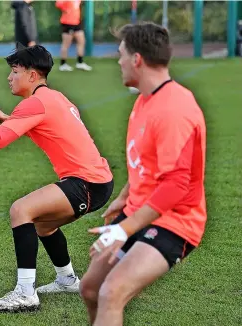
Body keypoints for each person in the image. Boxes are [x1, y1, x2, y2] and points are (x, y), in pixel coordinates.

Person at [0, 44, 114, 312]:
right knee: (42, 225)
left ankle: (25, 293)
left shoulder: (34, 103)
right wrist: (7, 118)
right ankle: (67, 280)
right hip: (98, 182)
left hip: (86, 183)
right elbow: (46, 129)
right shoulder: (54, 98)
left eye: (15, 71)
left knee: (21, 210)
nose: (9, 77)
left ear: (32, 76)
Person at [80, 22, 207, 326]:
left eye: (121, 53)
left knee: (112, 292)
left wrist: (124, 229)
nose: (117, 61)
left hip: (175, 221)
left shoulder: (174, 109)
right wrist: (124, 199)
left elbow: (176, 184)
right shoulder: (145, 99)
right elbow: (146, 163)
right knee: (91, 288)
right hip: (139, 211)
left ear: (137, 59)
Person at [55, 0, 92, 72]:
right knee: (66, 44)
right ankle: (63, 64)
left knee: (81, 41)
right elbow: (58, 4)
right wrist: (66, 8)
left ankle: (80, 62)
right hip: (68, 23)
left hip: (77, 22)